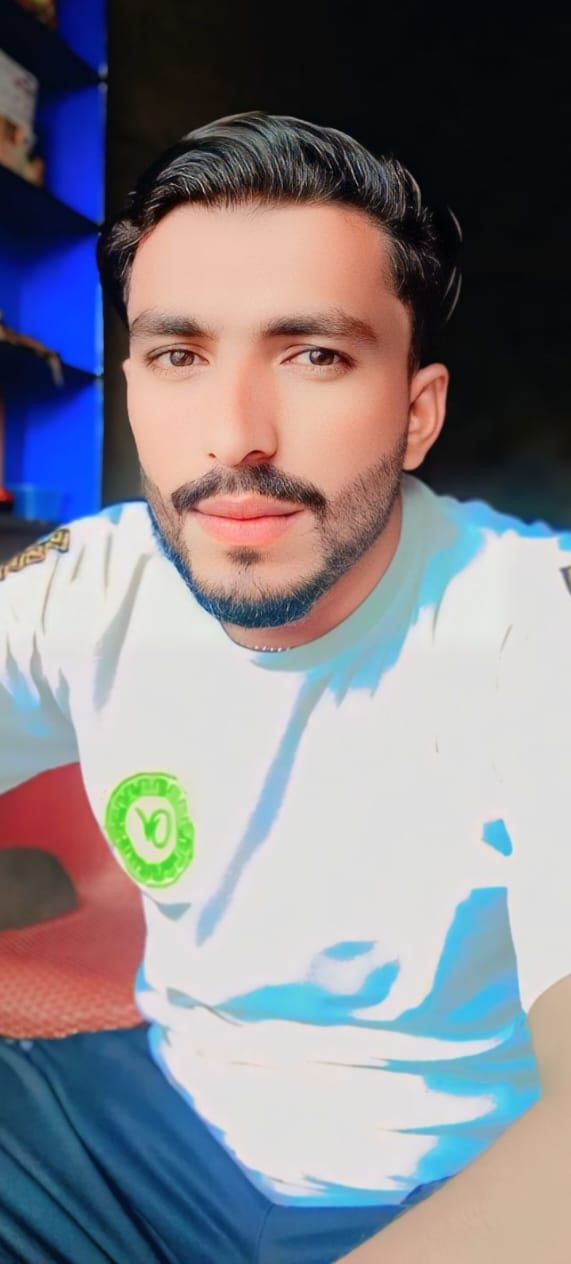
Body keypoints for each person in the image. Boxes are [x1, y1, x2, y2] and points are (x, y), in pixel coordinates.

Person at [1, 110, 571, 1264]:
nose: (235, 435)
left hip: (444, 1176)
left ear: (416, 413)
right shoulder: (88, 582)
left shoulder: (528, 618)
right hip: (164, 1121)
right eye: (179, 355)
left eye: (313, 354)